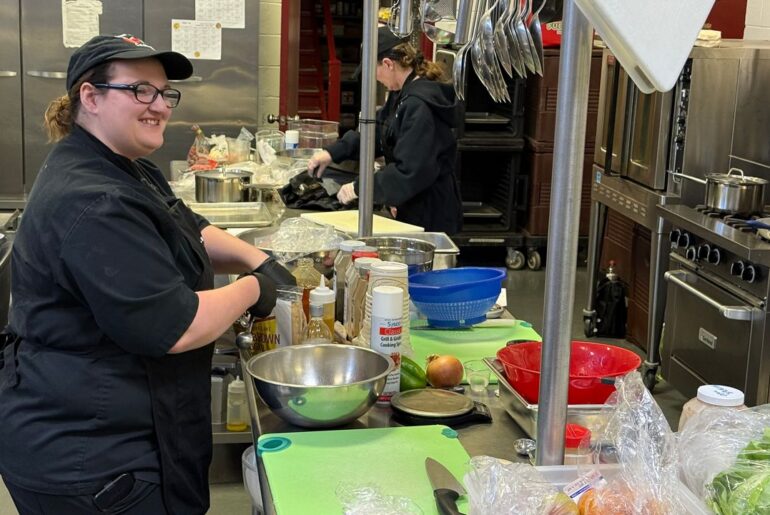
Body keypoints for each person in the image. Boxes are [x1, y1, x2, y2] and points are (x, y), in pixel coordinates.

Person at [0, 34, 294, 515]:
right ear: (90, 98)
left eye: (164, 93)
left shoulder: (127, 168)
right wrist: (255, 289)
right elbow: (176, 326)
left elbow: (189, 228)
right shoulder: (94, 200)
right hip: (91, 457)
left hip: (114, 423)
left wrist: (255, 259)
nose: (159, 105)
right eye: (140, 90)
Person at [307, 27, 463, 234]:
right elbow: (377, 133)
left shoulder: (419, 105)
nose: (376, 79)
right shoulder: (401, 95)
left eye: (375, 72)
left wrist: (360, 187)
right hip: (413, 204)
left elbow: (410, 171)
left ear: (388, 64)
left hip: (430, 213)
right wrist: (332, 153)